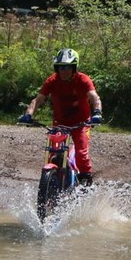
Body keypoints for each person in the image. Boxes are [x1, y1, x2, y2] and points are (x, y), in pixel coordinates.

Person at [18, 48, 104, 184]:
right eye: (60, 67)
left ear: (74, 68)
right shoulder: (52, 81)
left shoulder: (83, 80)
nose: (63, 71)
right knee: (53, 153)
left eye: (67, 67)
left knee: (82, 154)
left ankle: (86, 184)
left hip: (81, 123)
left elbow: (94, 98)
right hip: (60, 123)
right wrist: (28, 114)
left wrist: (97, 113)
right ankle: (52, 182)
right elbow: (38, 100)